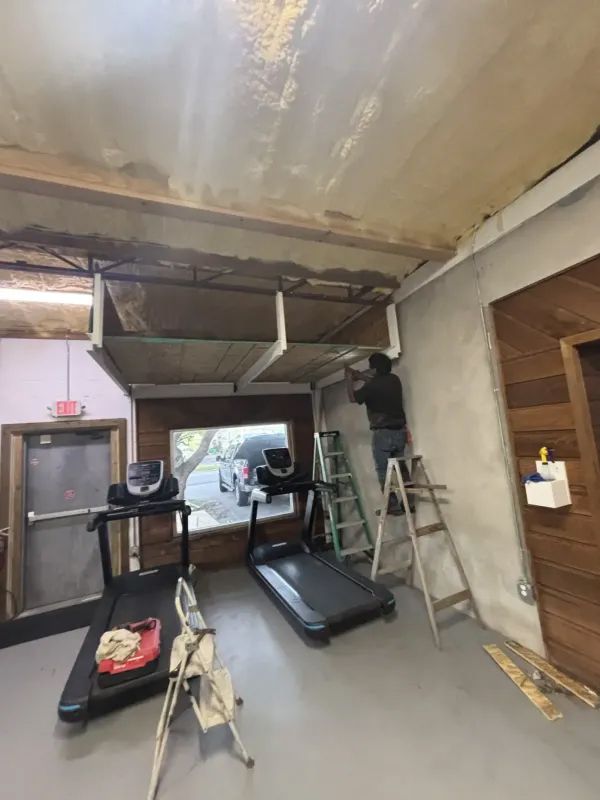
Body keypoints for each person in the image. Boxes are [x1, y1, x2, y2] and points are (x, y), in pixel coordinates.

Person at [345, 353, 412, 513]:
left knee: (383, 470)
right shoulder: (394, 380)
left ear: (374, 368)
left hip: (383, 434)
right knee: (401, 467)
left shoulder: (372, 386)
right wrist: (360, 376)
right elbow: (376, 383)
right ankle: (410, 502)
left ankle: (392, 506)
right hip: (400, 432)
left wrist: (349, 380)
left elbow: (353, 398)